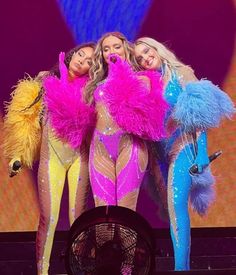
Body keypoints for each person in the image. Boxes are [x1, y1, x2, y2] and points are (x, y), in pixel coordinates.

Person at [133, 37, 235, 271]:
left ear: (157, 49)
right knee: (170, 210)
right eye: (139, 58)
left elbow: (198, 115)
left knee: (177, 204)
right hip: (161, 154)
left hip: (183, 147)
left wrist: (202, 154)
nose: (146, 58)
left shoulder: (180, 73)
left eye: (147, 52)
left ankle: (181, 269)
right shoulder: (149, 82)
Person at [3, 43, 96, 275]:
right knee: (50, 217)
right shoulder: (47, 81)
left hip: (79, 158)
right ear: (72, 54)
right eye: (80, 55)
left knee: (78, 219)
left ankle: (77, 268)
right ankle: (42, 272)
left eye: (88, 62)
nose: (81, 61)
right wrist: (18, 155)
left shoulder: (91, 91)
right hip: (51, 159)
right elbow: (26, 119)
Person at [83, 32, 168, 211]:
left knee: (125, 210)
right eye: (106, 49)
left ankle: (125, 240)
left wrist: (120, 70)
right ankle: (107, 241)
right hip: (99, 149)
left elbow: (142, 113)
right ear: (102, 55)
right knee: (103, 212)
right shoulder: (96, 84)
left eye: (116, 46)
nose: (111, 51)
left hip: (129, 145)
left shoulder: (142, 79)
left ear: (125, 49)